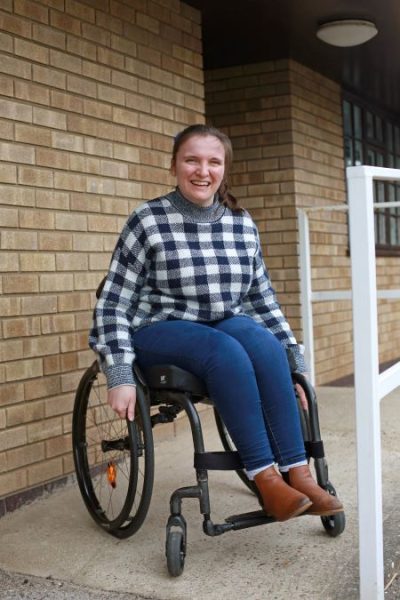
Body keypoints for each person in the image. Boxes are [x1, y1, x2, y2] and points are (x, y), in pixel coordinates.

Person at [90, 124, 343, 522]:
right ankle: (266, 478)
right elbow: (112, 302)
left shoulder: (241, 224)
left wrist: (295, 365)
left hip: (222, 321)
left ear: (224, 169)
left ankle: (299, 472)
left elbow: (262, 299)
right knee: (225, 351)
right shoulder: (148, 220)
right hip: (159, 327)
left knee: (262, 344)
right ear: (174, 164)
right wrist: (119, 373)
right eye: (192, 159)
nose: (202, 170)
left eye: (213, 161)